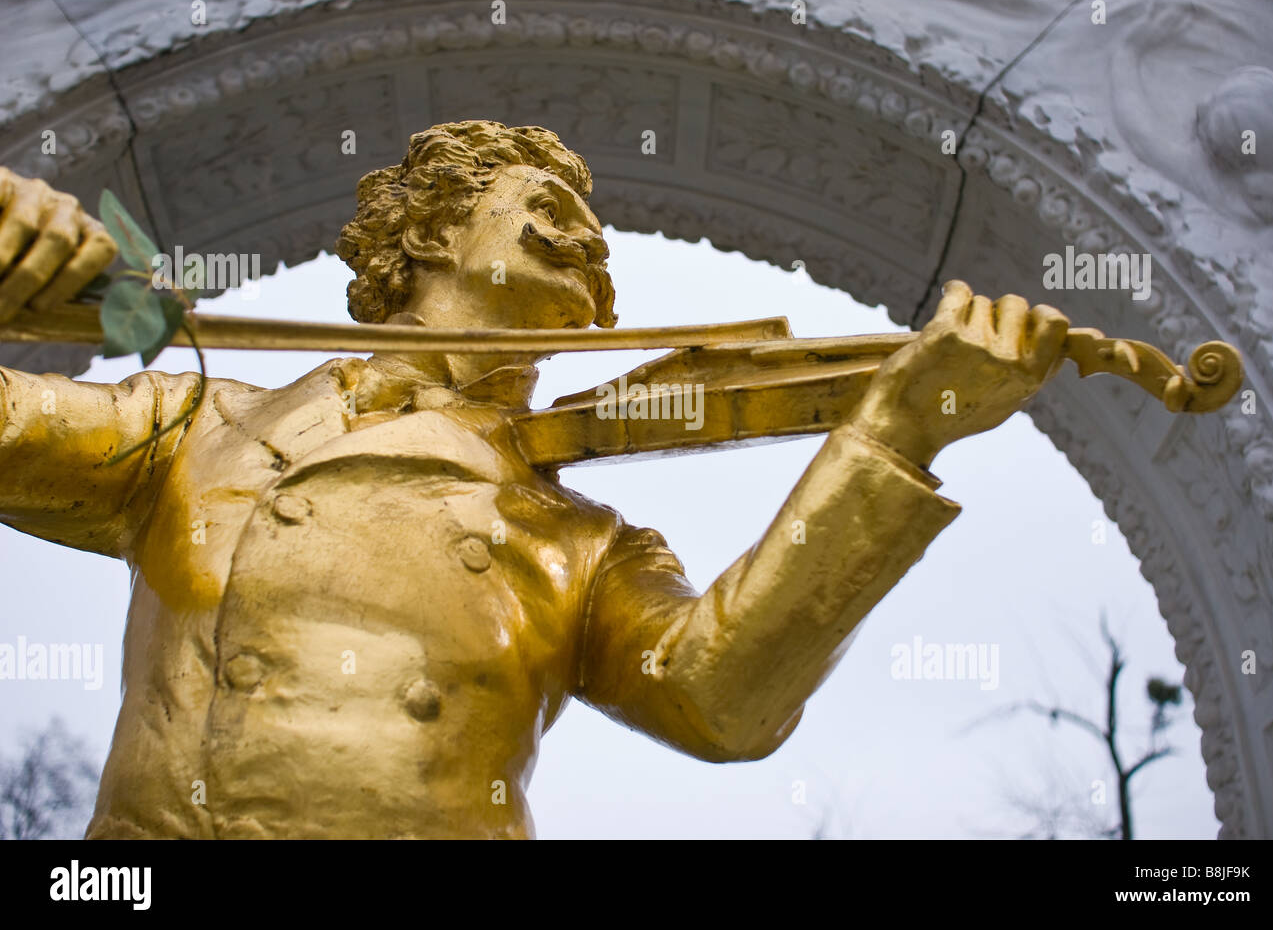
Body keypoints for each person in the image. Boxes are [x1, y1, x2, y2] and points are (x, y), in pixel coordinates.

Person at [0, 120, 1067, 838]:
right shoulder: (197, 421)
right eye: (548, 205)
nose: (593, 236)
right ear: (426, 230)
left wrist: (892, 435)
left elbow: (719, 703)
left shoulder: (582, 539)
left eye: (594, 233)